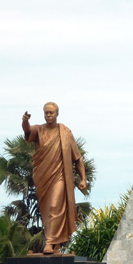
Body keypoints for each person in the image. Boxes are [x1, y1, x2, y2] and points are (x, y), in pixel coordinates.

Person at [22, 102, 87, 254]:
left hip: (60, 176)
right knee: (47, 211)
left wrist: (83, 178)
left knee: (54, 206)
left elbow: (77, 158)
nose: (49, 115)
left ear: (57, 113)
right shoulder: (39, 130)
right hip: (43, 177)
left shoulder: (65, 132)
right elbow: (27, 131)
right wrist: (25, 121)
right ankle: (56, 243)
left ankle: (49, 243)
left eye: (51, 113)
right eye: (46, 113)